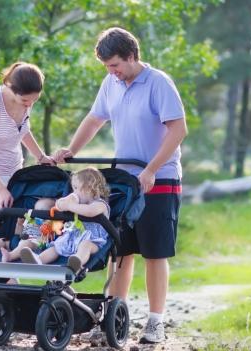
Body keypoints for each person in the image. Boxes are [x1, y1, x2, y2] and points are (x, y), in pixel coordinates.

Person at [53, 27, 187, 344]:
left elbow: (178, 130)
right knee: (120, 252)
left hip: (159, 178)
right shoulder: (111, 83)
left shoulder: (159, 83)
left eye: (115, 65)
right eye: (107, 67)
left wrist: (152, 170)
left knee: (155, 252)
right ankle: (114, 318)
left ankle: (155, 322)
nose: (111, 72)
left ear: (130, 56)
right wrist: (72, 149)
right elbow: (95, 118)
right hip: (125, 182)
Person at [0, 62, 54, 296]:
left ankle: (9, 294)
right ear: (10, 87)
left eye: (34, 101)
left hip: (15, 173)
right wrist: (0, 189)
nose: (29, 104)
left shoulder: (26, 101)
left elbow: (23, 130)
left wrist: (40, 156)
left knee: (11, 235)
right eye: (25, 100)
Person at [20, 167, 110, 273]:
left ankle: (76, 262)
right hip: (72, 238)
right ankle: (38, 260)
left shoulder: (100, 204)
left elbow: (89, 212)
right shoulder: (76, 203)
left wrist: (70, 206)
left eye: (76, 188)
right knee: (57, 246)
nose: (74, 192)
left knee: (85, 245)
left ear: (90, 187)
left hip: (93, 241)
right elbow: (61, 205)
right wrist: (63, 203)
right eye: (73, 188)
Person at [0, 197, 56, 262]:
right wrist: (20, 224)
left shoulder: (52, 224)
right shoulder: (33, 219)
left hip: (36, 245)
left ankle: (10, 256)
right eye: (37, 210)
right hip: (20, 239)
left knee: (26, 243)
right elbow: (22, 231)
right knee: (12, 241)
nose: (39, 216)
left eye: (43, 212)